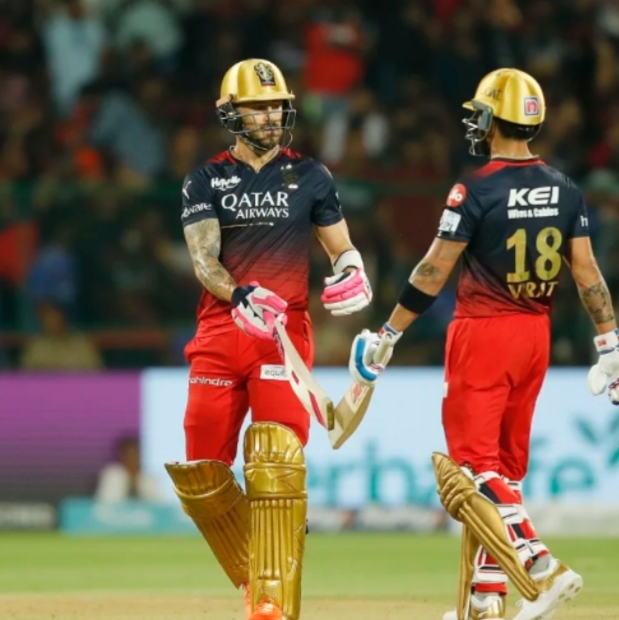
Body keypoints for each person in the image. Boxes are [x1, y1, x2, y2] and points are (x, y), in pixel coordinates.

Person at [349, 69, 619, 620]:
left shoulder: (474, 189)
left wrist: (389, 332)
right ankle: (487, 596)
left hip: (484, 332)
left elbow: (434, 269)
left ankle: (542, 566)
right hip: (535, 335)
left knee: (472, 469)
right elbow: (587, 273)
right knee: (504, 471)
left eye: (479, 114)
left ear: (492, 119)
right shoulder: (565, 187)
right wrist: (611, 343)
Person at [164, 58, 372, 620]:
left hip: (283, 336)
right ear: (232, 114)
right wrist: (238, 296)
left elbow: (340, 247)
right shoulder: (205, 179)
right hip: (220, 330)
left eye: (277, 105)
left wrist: (352, 269)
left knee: (276, 465)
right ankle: (262, 573)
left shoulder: (312, 175)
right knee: (201, 477)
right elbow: (204, 259)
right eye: (258, 107)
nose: (271, 115)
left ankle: (270, 601)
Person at [94, 436, 162, 503]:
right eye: (129, 455)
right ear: (122, 456)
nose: (132, 459)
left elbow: (159, 503)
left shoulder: (148, 478)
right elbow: (104, 502)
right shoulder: (112, 475)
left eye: (135, 455)